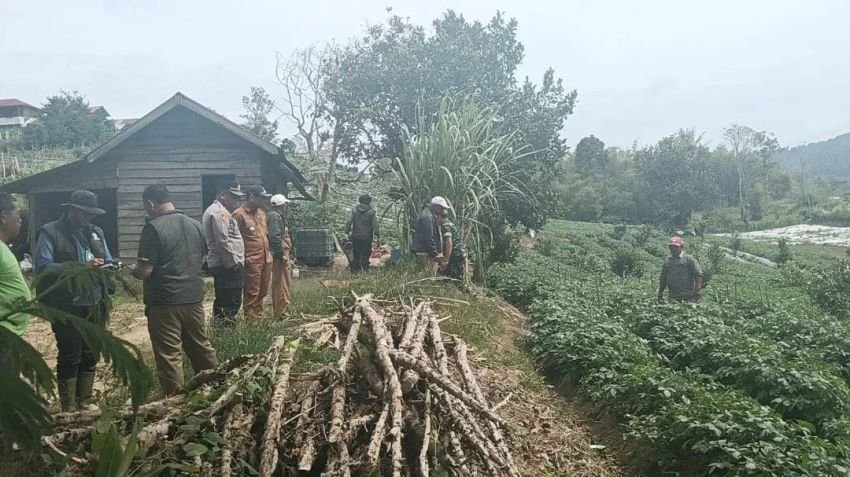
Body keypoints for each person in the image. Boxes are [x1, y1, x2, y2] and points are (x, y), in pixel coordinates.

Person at [132, 185, 218, 394]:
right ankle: (217, 386)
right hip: (194, 298)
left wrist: (132, 271)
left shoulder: (153, 228)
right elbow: (202, 258)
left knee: (169, 354)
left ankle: (174, 401)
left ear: (151, 204)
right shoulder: (195, 225)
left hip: (164, 302)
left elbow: (145, 271)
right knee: (201, 347)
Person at [34, 189, 114, 411]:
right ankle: (68, 407)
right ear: (72, 211)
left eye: (92, 214)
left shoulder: (96, 232)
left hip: (95, 303)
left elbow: (107, 258)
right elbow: (43, 267)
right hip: (65, 304)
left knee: (91, 352)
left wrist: (107, 266)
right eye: (86, 214)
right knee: (70, 354)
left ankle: (85, 401)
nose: (90, 218)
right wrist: (80, 268)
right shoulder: (50, 232)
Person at [202, 181, 245, 325]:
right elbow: (223, 241)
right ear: (222, 195)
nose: (237, 201)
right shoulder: (219, 212)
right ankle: (225, 330)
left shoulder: (220, 211)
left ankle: (221, 329)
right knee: (230, 301)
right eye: (234, 197)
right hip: (226, 264)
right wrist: (233, 263)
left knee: (223, 299)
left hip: (225, 263)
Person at [0, 193, 31, 377]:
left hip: (10, 334)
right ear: (3, 216)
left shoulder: (4, 247)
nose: (20, 219)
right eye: (17, 214)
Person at [232, 185, 272, 320]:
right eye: (261, 197)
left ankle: (259, 316)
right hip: (252, 260)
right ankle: (251, 321)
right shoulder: (239, 215)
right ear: (252, 197)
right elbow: (233, 239)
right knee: (252, 291)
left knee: (263, 290)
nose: (264, 200)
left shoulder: (261, 213)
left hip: (266, 258)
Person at [267, 194, 293, 318]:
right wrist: (281, 255)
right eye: (284, 204)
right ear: (281, 205)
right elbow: (275, 237)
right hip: (281, 253)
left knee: (283, 282)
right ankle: (281, 313)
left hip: (283, 251)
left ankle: (282, 310)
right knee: (282, 282)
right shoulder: (275, 217)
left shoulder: (276, 216)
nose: (286, 206)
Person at [658, 236, 704, 303]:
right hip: (673, 297)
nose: (673, 249)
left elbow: (698, 275)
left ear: (681, 247)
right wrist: (660, 292)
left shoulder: (689, 259)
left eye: (676, 247)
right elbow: (663, 277)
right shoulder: (668, 260)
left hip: (688, 297)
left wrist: (697, 290)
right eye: (671, 247)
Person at [412, 196, 450, 276]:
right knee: (429, 277)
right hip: (426, 253)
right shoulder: (428, 217)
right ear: (436, 206)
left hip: (427, 252)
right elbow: (429, 237)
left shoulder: (429, 215)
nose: (443, 211)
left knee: (427, 276)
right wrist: (435, 254)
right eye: (442, 208)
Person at [344, 194, 380, 272]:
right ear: (369, 202)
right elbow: (375, 226)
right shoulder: (372, 213)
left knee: (356, 252)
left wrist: (347, 231)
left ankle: (355, 269)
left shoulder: (354, 211)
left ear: (360, 201)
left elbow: (348, 222)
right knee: (365, 253)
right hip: (367, 237)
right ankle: (365, 269)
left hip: (356, 236)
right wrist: (378, 235)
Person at [438, 214, 466, 282]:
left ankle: (460, 291)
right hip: (459, 253)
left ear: (440, 217)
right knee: (456, 276)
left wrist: (446, 259)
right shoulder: (451, 224)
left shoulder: (446, 226)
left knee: (454, 278)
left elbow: (449, 243)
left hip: (455, 254)